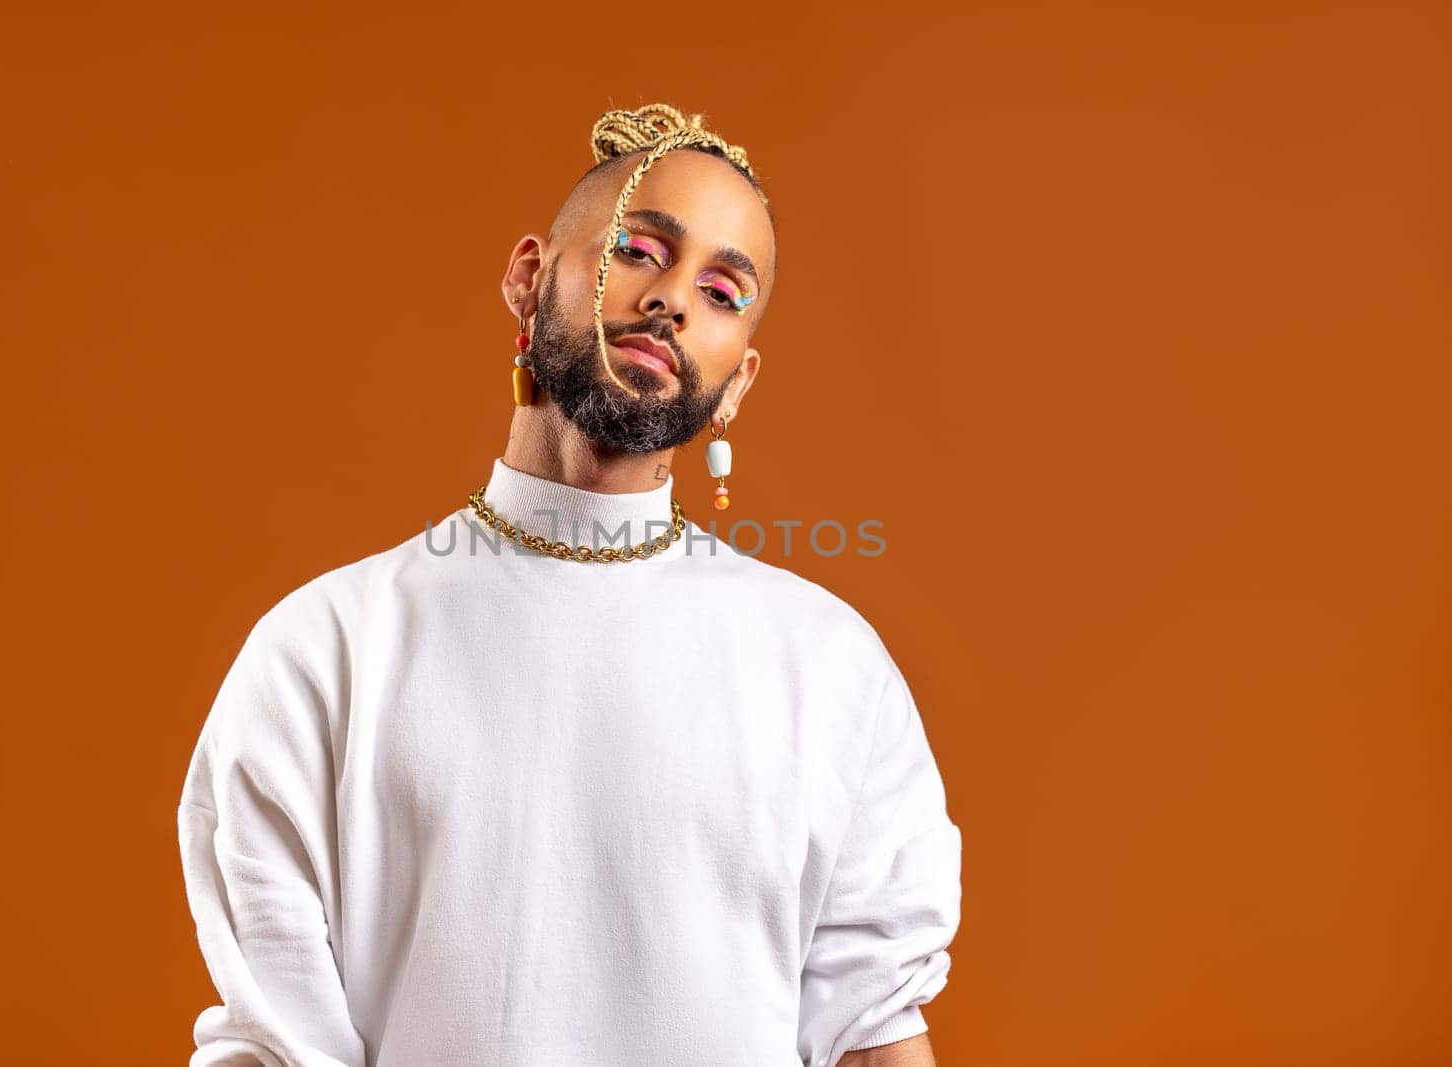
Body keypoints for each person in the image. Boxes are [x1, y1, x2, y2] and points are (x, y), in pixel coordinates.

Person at [176, 103, 963, 1067]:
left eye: (723, 291)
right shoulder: (324, 653)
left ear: (740, 380)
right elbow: (278, 1041)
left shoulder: (831, 668)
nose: (673, 300)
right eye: (638, 248)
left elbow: (872, 1030)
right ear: (529, 276)